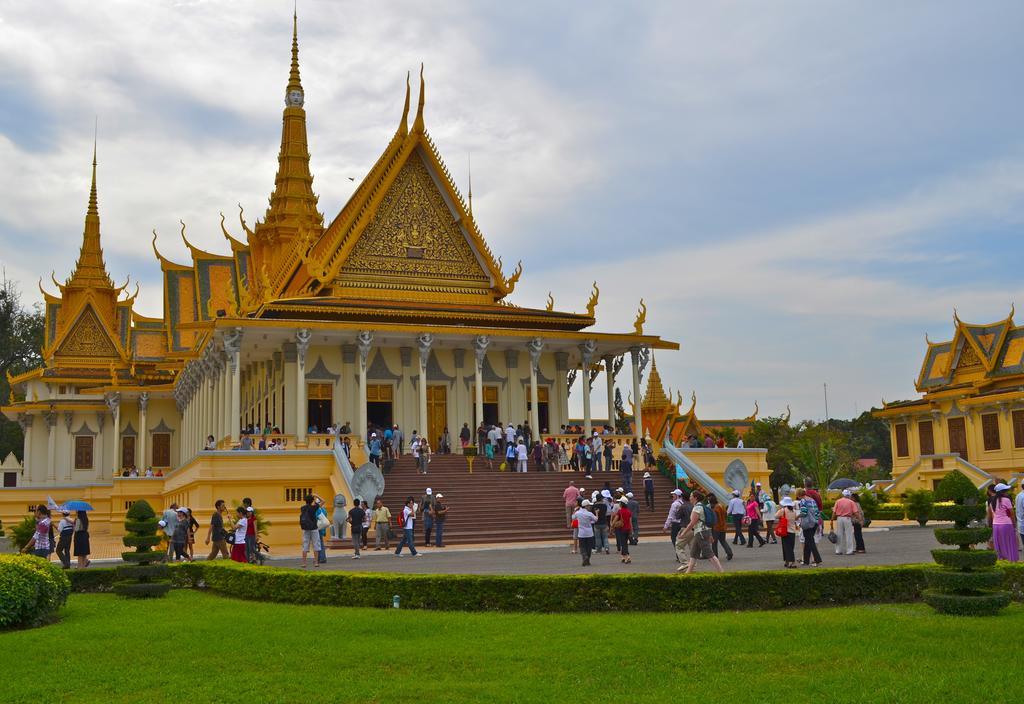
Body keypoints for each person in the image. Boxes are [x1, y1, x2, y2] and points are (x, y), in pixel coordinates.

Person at [676, 491, 724, 574]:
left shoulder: (697, 508)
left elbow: (692, 523)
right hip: (702, 531)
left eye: (691, 496)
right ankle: (688, 573)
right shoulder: (702, 506)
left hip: (700, 532)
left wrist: (683, 533)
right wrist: (710, 535)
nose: (690, 497)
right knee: (693, 554)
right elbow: (704, 522)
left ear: (695, 498)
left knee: (709, 554)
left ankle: (721, 572)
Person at [989, 482, 1019, 562]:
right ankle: (1010, 560)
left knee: (999, 544)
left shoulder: (992, 501)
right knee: (1009, 543)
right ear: (1003, 491)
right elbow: (1012, 514)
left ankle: (1001, 560)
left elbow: (992, 515)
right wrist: (1014, 524)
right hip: (1006, 524)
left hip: (995, 525)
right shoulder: (1006, 500)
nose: (1007, 492)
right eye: (1006, 490)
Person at [797, 489, 823, 567]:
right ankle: (806, 560)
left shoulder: (803, 501)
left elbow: (804, 512)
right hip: (814, 523)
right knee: (808, 541)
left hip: (807, 523)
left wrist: (797, 516)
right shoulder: (812, 500)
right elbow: (817, 512)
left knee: (810, 542)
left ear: (799, 495)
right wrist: (817, 523)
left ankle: (817, 559)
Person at [830, 489, 857, 556]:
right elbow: (856, 512)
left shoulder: (838, 501)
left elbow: (834, 512)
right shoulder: (851, 502)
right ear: (849, 495)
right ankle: (849, 551)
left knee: (839, 535)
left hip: (839, 518)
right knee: (849, 535)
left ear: (843, 495)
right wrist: (859, 519)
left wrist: (832, 520)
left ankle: (838, 550)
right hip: (847, 518)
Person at [663, 489, 688, 556]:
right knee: (682, 539)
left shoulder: (674, 504)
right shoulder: (683, 503)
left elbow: (670, 516)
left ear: (677, 496)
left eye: (674, 494)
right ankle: (682, 553)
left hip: (676, 524)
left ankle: (679, 554)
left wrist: (666, 526)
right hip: (683, 523)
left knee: (674, 539)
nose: (673, 496)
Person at [707, 494, 733, 561]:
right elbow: (726, 515)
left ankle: (715, 556)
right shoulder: (721, 505)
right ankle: (729, 553)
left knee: (714, 542)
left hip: (716, 527)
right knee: (723, 540)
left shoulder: (715, 509)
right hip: (723, 526)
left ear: (711, 502)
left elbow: (714, 519)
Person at [299, 494, 322, 569]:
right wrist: (316, 496)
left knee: (305, 545)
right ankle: (316, 562)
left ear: (305, 500)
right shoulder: (314, 507)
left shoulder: (302, 508)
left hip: (306, 529)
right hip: (314, 528)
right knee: (316, 545)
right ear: (312, 500)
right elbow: (323, 501)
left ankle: (304, 563)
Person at [776, 497, 799, 568]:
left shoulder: (783, 510)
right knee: (790, 547)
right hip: (792, 531)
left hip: (785, 531)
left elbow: (776, 516)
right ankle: (787, 561)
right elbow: (795, 519)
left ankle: (792, 562)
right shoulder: (794, 511)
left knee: (786, 547)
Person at [573, 500, 598, 566]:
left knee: (582, 547)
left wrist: (575, 510)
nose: (590, 507)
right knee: (589, 547)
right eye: (589, 505)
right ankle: (588, 559)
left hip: (581, 533)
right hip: (589, 533)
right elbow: (596, 519)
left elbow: (573, 518)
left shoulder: (578, 513)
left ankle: (584, 557)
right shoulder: (589, 514)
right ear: (586, 506)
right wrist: (597, 513)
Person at [613, 496, 633, 563]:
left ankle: (627, 557)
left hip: (621, 529)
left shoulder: (620, 511)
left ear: (621, 504)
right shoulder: (629, 511)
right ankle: (623, 557)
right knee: (625, 543)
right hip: (628, 529)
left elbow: (615, 519)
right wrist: (631, 530)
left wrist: (612, 525)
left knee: (623, 544)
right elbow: (630, 522)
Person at [594, 490, 611, 555]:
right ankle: (606, 548)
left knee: (597, 537)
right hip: (604, 522)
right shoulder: (604, 506)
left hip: (597, 523)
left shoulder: (594, 506)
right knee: (605, 537)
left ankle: (599, 549)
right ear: (601, 498)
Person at [242, 498, 258, 563]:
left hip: (251, 535)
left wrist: (256, 536)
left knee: (251, 549)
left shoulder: (253, 518)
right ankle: (248, 560)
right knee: (247, 548)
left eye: (244, 504)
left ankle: (254, 559)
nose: (243, 505)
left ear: (248, 504)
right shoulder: (245, 516)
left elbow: (255, 527)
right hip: (246, 535)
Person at [315, 497, 329, 564]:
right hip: (322, 529)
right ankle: (321, 558)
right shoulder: (324, 510)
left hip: (317, 529)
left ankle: (321, 558)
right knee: (321, 543)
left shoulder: (317, 510)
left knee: (318, 544)